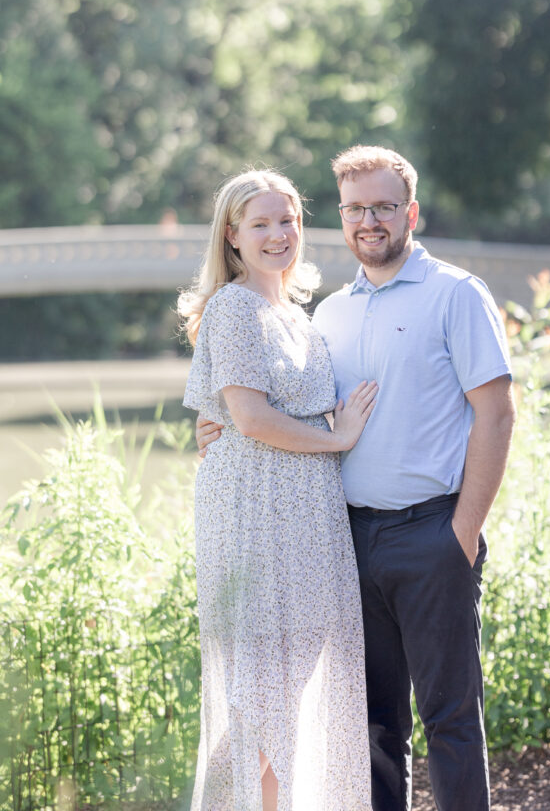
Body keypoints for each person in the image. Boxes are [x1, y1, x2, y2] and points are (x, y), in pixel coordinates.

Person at [197, 148, 516, 811]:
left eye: (382, 206)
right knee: (371, 728)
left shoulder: (454, 294)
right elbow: (263, 404)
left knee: (450, 723)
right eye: (354, 208)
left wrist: (462, 531)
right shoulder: (329, 313)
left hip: (430, 534)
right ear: (341, 218)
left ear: (410, 213)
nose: (368, 220)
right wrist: (219, 427)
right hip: (342, 541)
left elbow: (495, 412)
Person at [179, 169, 376, 811]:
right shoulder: (235, 307)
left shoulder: (293, 312)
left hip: (307, 515)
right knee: (262, 691)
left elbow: (244, 415)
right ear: (232, 236)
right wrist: (338, 438)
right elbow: (252, 419)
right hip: (256, 517)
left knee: (286, 689)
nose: (276, 235)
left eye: (286, 220)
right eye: (259, 223)